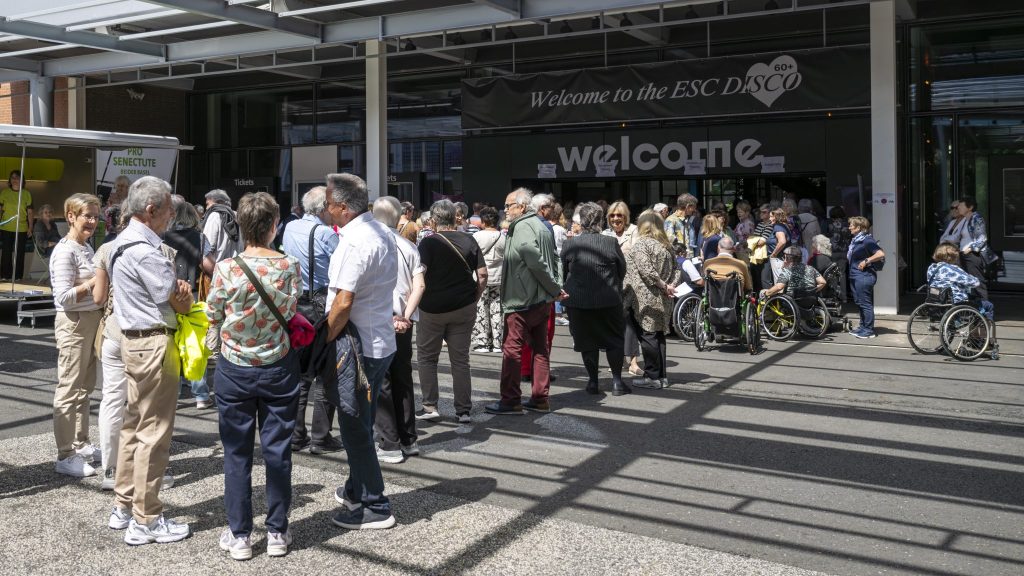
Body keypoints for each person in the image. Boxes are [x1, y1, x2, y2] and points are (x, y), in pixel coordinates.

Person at [205, 192, 301, 560]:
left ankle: (240, 534)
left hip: (235, 367)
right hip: (278, 365)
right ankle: (277, 530)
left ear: (241, 226)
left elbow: (213, 313)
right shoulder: (289, 265)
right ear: (275, 225)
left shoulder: (227, 268)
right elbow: (290, 311)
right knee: (278, 450)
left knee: (236, 453)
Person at [107, 176, 193, 546]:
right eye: (169, 210)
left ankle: (124, 506)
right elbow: (177, 299)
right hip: (154, 342)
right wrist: (184, 293)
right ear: (151, 210)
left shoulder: (121, 242)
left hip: (133, 341)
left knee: (134, 426)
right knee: (154, 434)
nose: (172, 216)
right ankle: (146, 519)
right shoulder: (145, 250)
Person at [324, 172, 398, 530]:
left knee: (354, 426)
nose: (326, 210)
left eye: (328, 204)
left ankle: (375, 504)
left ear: (342, 208)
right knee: (362, 420)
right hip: (379, 340)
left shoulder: (354, 242)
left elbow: (343, 301)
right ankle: (357, 489)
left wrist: (323, 339)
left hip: (358, 346)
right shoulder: (382, 232)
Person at [93, 210, 177, 491]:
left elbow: (99, 297)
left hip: (113, 331)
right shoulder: (161, 251)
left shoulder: (107, 249)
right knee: (147, 408)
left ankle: (111, 469)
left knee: (112, 400)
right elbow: (170, 298)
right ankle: (147, 472)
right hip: (147, 333)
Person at [486, 188, 565, 415]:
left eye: (508, 205)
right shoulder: (541, 224)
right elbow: (555, 259)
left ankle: (511, 400)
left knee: (512, 349)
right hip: (540, 299)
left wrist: (554, 288)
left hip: (522, 299)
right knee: (540, 349)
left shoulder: (522, 226)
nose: (505, 210)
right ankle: (540, 398)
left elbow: (535, 259)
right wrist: (556, 288)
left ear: (521, 207)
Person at [281, 186, 341, 455]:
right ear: (323, 208)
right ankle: (321, 436)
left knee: (300, 373)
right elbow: (341, 266)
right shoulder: (326, 234)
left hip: (297, 304)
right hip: (321, 304)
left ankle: (296, 434)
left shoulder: (290, 227)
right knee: (327, 373)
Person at [415, 199, 486, 424]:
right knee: (460, 360)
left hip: (432, 309)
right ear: (454, 217)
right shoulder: (469, 240)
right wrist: (475, 297)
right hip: (463, 307)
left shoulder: (428, 243)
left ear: (433, 220)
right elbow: (482, 275)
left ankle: (430, 406)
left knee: (427, 358)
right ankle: (463, 410)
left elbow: (420, 275)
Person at [49, 193, 104, 477]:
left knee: (85, 387)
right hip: (74, 323)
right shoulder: (65, 251)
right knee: (69, 389)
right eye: (87, 216)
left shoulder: (85, 247)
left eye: (95, 216)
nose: (92, 221)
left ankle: (80, 444)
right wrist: (96, 281)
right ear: (71, 216)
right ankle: (65, 454)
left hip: (90, 321)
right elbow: (63, 297)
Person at [372, 196, 425, 463]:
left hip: (378, 320)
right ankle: (408, 439)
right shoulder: (409, 246)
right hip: (404, 323)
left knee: (381, 381)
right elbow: (420, 285)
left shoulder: (371, 244)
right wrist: (405, 316)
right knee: (403, 378)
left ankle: (388, 443)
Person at [560, 203, 629, 396]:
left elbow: (563, 272)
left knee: (586, 341)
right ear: (601, 221)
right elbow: (622, 270)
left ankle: (593, 382)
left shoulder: (570, 244)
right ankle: (617, 382)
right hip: (608, 299)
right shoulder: (610, 242)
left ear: (581, 221)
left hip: (579, 301)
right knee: (614, 340)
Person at [162, 196, 216, 409]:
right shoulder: (199, 238)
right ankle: (201, 394)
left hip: (168, 295)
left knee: (172, 345)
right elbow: (210, 267)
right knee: (193, 343)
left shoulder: (162, 237)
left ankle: (173, 396)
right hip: (192, 295)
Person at [623, 211, 680, 390]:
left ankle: (652, 377)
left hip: (644, 298)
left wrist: (664, 285)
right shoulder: (667, 246)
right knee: (659, 336)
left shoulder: (642, 244)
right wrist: (670, 286)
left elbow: (646, 271)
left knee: (648, 336)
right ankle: (662, 376)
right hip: (664, 298)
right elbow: (677, 270)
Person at [521, 193, 559, 384]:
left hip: (524, 287)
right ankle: (540, 370)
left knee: (526, 329)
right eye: (551, 206)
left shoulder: (521, 225)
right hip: (543, 288)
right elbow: (551, 259)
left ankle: (525, 369)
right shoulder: (545, 227)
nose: (553, 209)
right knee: (545, 332)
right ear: (543, 208)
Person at [927, 243, 994, 319]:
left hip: (936, 302)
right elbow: (975, 283)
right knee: (988, 305)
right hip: (956, 303)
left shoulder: (932, 268)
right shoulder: (953, 269)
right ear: (953, 256)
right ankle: (984, 326)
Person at [471, 206, 505, 353]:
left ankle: (483, 342)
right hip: (499, 277)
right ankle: (498, 343)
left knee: (481, 309)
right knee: (497, 309)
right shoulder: (503, 237)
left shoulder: (477, 237)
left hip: (480, 277)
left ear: (483, 221)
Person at [847, 216, 885, 339]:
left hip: (864, 276)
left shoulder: (867, 240)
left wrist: (866, 261)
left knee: (865, 303)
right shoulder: (856, 240)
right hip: (856, 275)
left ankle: (868, 330)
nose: (849, 227)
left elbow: (880, 254)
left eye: (851, 225)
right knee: (859, 302)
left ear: (859, 227)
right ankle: (863, 327)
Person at [954, 197, 991, 300]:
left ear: (970, 207)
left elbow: (982, 238)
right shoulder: (965, 219)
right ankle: (970, 307)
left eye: (961, 205)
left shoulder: (976, 218)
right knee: (967, 283)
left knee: (977, 282)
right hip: (964, 254)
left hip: (972, 255)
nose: (958, 208)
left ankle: (984, 307)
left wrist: (970, 249)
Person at [1, 170, 33, 280]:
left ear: (22, 180)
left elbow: (30, 212)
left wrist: (30, 227)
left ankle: (18, 276)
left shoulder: (26, 194)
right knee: (6, 253)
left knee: (20, 253)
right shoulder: (4, 193)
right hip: (6, 227)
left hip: (21, 228)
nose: (15, 180)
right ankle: (5, 276)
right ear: (10, 180)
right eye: (13, 177)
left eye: (17, 178)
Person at [761, 246, 826, 299]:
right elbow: (823, 282)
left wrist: (766, 293)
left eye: (785, 258)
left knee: (763, 292)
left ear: (789, 259)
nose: (784, 260)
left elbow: (779, 287)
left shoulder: (787, 270)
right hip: (810, 301)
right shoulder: (810, 268)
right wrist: (811, 291)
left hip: (793, 301)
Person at [201, 189, 240, 263]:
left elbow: (207, 247)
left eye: (208, 204)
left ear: (219, 202)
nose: (206, 208)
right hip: (237, 266)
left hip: (218, 267)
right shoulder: (238, 216)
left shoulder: (214, 216)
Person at [763, 208, 792, 289]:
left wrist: (773, 254)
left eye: (771, 216)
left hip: (778, 259)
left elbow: (782, 241)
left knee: (778, 284)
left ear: (776, 217)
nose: (769, 219)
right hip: (781, 258)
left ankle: (772, 296)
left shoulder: (778, 226)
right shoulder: (783, 226)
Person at [828, 206, 852, 302]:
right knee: (842, 274)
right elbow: (849, 237)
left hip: (833, 252)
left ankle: (835, 297)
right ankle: (844, 297)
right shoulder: (847, 224)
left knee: (833, 274)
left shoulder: (830, 224)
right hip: (844, 251)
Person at [749, 203, 774, 292]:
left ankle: (769, 298)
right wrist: (754, 240)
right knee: (756, 279)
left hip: (765, 256)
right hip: (756, 255)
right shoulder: (760, 224)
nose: (761, 214)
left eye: (764, 212)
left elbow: (761, 241)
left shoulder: (771, 225)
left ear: (770, 213)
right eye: (760, 212)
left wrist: (753, 241)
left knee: (765, 280)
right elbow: (754, 238)